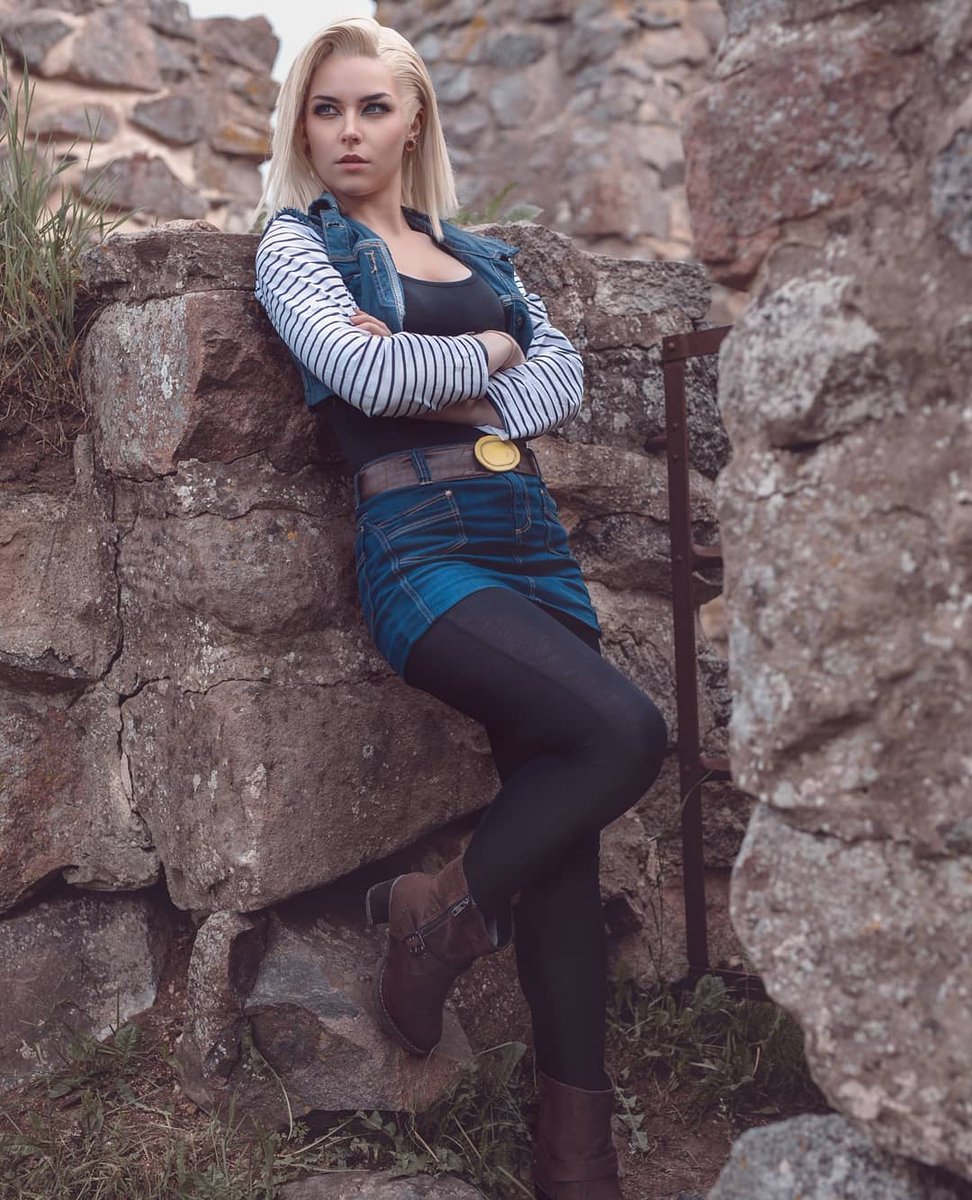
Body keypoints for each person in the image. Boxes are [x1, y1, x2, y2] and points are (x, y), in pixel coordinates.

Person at [254, 17, 668, 1199]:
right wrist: (491, 353)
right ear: (301, 127)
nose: (348, 131)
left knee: (567, 843)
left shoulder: (480, 254)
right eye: (325, 109)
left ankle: (577, 1160)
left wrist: (456, 365)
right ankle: (437, 917)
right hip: (422, 547)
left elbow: (561, 379)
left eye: (372, 107)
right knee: (625, 732)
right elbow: (364, 374)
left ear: (413, 120)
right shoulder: (296, 245)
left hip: (531, 540)